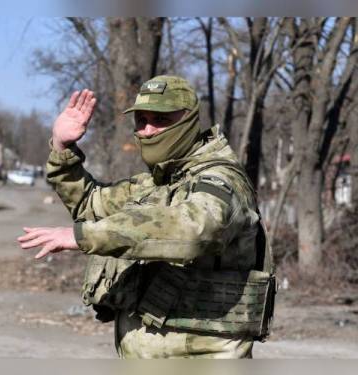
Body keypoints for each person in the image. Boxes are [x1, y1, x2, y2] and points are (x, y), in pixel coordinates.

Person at [17, 75, 276, 359]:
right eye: (141, 121)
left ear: (188, 121)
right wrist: (61, 147)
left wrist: (85, 236)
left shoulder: (221, 180)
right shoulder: (156, 184)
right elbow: (90, 203)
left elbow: (194, 229)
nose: (148, 130)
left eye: (161, 119)